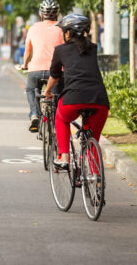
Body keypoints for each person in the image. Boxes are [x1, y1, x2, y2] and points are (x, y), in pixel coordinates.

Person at [43, 14, 110, 169]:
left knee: (61, 118)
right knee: (93, 140)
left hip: (73, 99)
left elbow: (55, 75)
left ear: (67, 33)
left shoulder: (60, 50)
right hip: (99, 101)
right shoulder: (93, 48)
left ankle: (64, 157)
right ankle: (96, 181)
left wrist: (48, 91)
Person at [21, 0, 64, 133]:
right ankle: (58, 123)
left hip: (36, 70)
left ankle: (34, 114)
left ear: (41, 14)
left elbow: (28, 50)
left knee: (30, 90)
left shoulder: (33, 28)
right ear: (57, 14)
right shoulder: (62, 28)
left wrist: (25, 64)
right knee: (58, 95)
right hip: (56, 71)